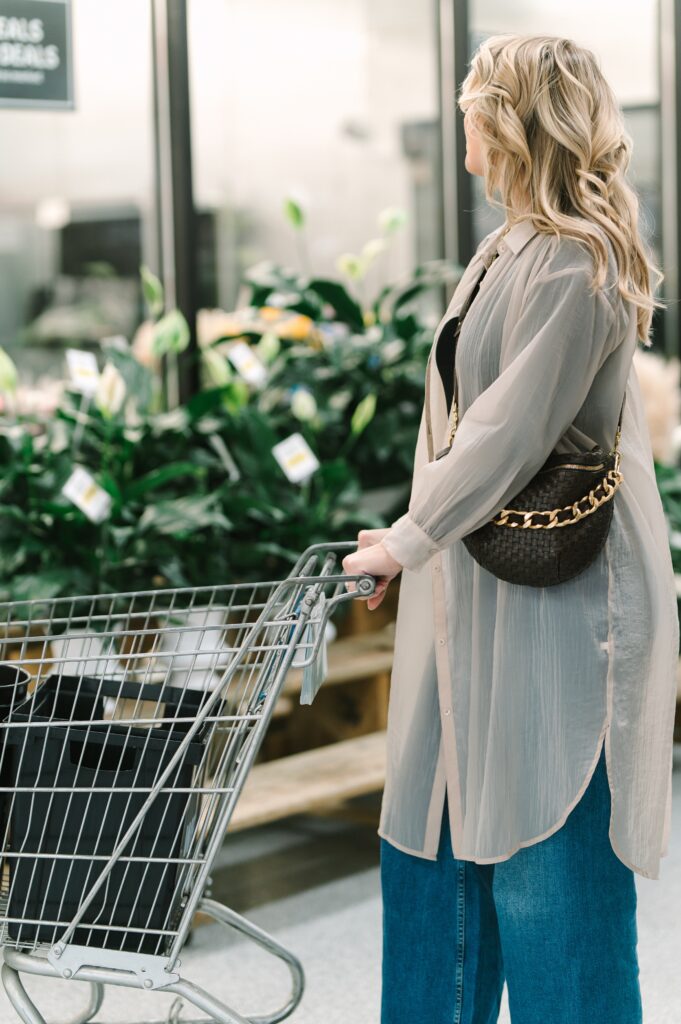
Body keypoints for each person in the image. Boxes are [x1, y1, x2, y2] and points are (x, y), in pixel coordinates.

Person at [341, 33, 679, 1024]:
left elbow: (505, 430)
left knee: (546, 859)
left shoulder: (578, 263)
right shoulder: (507, 248)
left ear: (506, 122)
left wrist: (406, 539)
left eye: (470, 119)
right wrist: (418, 548)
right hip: (484, 596)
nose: (462, 142)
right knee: (444, 837)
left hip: (561, 609)